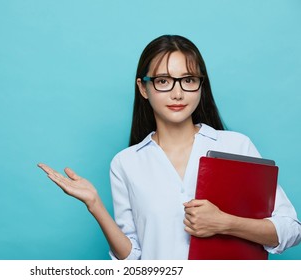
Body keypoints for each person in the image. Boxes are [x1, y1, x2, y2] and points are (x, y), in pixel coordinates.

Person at [38, 35, 301, 259]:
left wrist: (225, 223)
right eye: (163, 81)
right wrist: (95, 204)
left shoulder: (236, 146)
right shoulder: (126, 163)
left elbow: (290, 230)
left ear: (200, 84)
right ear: (143, 88)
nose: (178, 93)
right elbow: (131, 261)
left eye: (188, 80)